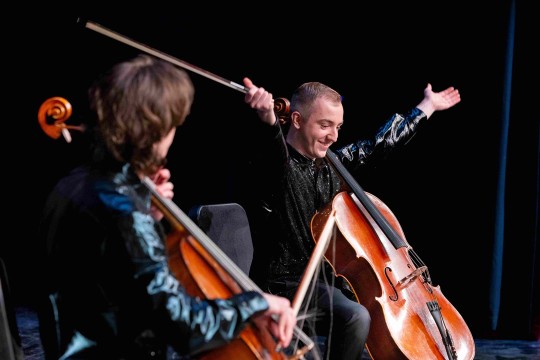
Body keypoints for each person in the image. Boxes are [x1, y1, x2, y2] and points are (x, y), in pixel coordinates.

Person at [36, 54, 298, 360]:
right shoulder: (125, 212)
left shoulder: (70, 184)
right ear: (155, 130)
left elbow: (107, 280)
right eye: (174, 125)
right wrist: (258, 303)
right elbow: (184, 326)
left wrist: (145, 214)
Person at [242, 77, 461, 360]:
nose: (334, 136)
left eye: (338, 127)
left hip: (323, 284)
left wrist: (426, 107)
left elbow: (379, 144)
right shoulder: (278, 166)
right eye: (324, 125)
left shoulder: (332, 164)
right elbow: (271, 154)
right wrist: (269, 121)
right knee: (352, 318)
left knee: (357, 316)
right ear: (295, 119)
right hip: (282, 285)